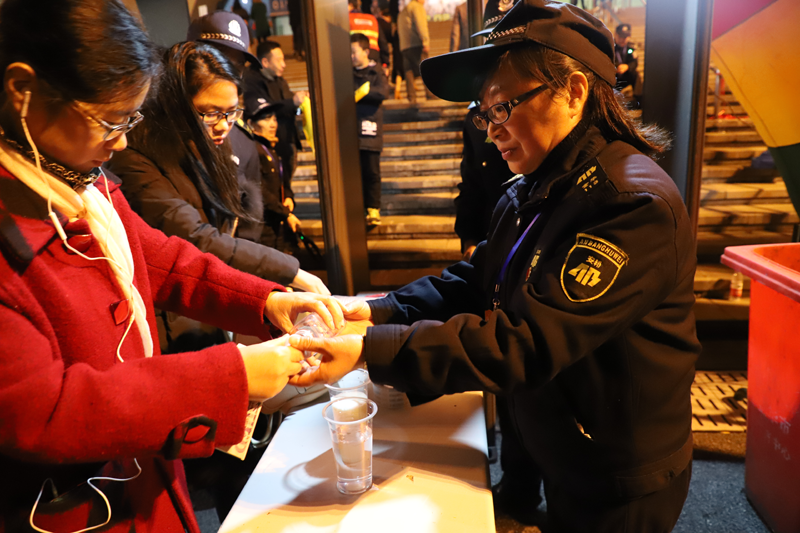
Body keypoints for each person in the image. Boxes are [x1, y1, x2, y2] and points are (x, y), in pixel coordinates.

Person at [289, 1, 701, 531]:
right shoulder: (535, 184)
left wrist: (369, 350)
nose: (490, 132)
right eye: (483, 114)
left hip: (613, 469)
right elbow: (480, 279)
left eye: (503, 107)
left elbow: (526, 341)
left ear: (574, 92)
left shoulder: (630, 203)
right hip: (554, 435)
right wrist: (374, 311)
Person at [0, 1, 354, 531]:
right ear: (22, 90)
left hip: (141, 467)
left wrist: (265, 300)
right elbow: (42, 410)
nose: (122, 140)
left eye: (131, 119)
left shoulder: (77, 178)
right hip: (72, 504)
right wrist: (231, 376)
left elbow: (160, 258)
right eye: (110, 120)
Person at [107, 41, 326, 340]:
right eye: (210, 113)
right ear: (176, 105)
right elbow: (196, 237)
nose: (224, 125)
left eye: (232, 113)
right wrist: (291, 271)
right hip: (169, 321)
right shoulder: (135, 156)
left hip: (207, 309)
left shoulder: (209, 147)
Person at [243, 40, 308, 189]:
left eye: (284, 60)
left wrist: (301, 107)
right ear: (265, 62)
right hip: (266, 145)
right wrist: (292, 102)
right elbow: (262, 109)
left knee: (286, 186)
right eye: (279, 60)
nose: (284, 65)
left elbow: (291, 106)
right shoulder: (251, 81)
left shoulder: (280, 81)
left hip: (287, 141)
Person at [246, 98, 301, 250]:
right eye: (266, 119)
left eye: (274, 119)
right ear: (251, 124)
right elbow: (259, 191)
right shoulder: (253, 151)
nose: (272, 124)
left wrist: (288, 196)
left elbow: (283, 182)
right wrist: (286, 214)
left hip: (277, 226)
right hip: (262, 229)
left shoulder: (272, 150)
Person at [351, 33, 389, 227]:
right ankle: (357, 209)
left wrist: (361, 93)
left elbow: (383, 92)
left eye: (354, 52)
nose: (351, 56)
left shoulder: (376, 72)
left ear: (366, 51)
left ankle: (373, 208)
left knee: (371, 171)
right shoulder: (346, 73)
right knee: (354, 173)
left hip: (370, 128)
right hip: (350, 130)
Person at [397, 0, 433, 104]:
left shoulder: (404, 10)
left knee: (409, 71)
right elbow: (420, 24)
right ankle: (430, 93)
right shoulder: (417, 7)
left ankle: (411, 96)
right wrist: (425, 41)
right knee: (425, 68)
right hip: (415, 43)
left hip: (404, 45)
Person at [349, 0, 391, 73]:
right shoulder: (372, 18)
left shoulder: (348, 18)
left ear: (350, 5)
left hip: (356, 55)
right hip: (374, 54)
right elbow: (382, 42)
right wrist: (385, 63)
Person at [614, 23, 643, 109]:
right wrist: (616, 67)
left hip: (626, 75)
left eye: (625, 37)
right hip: (614, 75)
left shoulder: (631, 48)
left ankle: (638, 100)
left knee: (636, 74)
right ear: (616, 35)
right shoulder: (610, 46)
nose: (623, 39)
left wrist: (627, 67)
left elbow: (634, 62)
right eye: (621, 36)